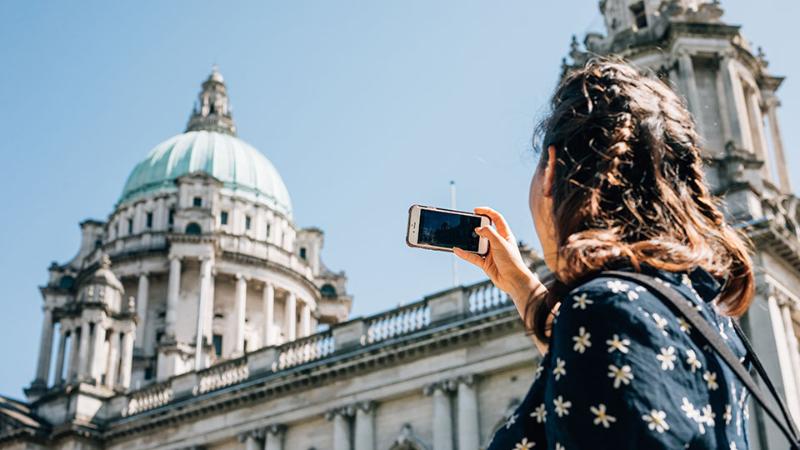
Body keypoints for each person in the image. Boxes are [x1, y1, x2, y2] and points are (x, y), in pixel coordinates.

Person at [454, 58, 755, 449]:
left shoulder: (601, 311)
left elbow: (600, 348)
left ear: (550, 173)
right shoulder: (712, 319)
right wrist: (519, 282)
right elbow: (597, 368)